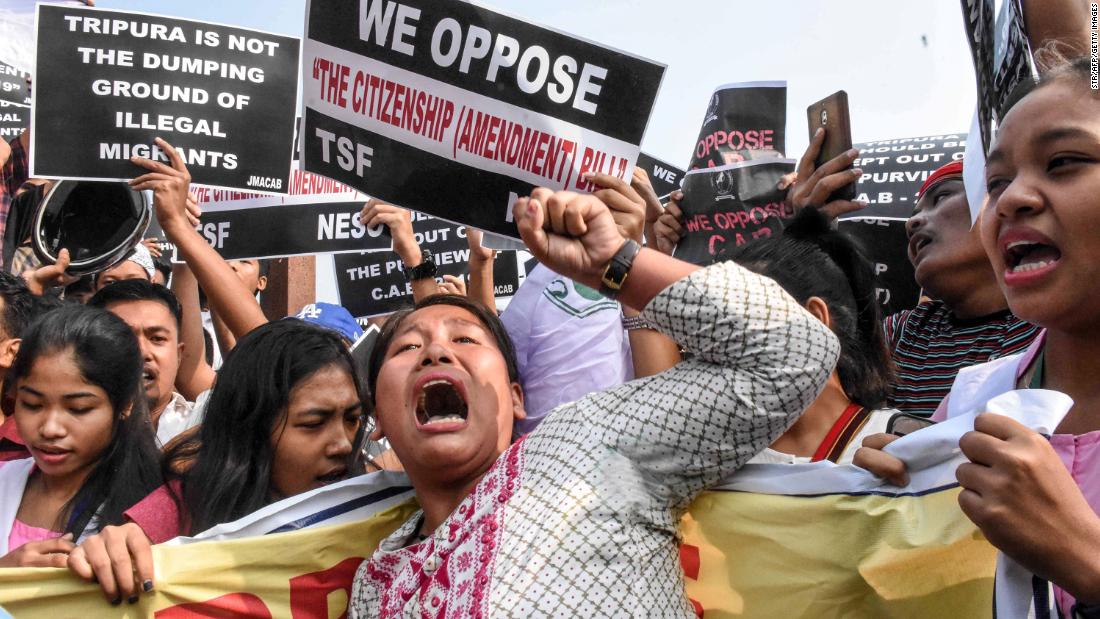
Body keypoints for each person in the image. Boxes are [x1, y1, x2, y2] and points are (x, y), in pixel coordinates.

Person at [347, 186, 838, 616]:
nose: (435, 351)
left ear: (517, 399)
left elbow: (796, 352)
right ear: (379, 420)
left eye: (467, 341)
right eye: (408, 346)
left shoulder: (592, 439)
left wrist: (619, 263)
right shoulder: (373, 585)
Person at [855, 56, 1100, 615]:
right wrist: (905, 496)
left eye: (1064, 162)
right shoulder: (973, 397)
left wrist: (1086, 560)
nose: (1011, 199)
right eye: (995, 182)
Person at [67, 319, 363, 605]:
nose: (343, 444)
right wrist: (105, 556)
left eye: (352, 419)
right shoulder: (180, 509)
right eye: (313, 423)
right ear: (252, 430)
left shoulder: (384, 515)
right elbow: (118, 552)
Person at [0, 305, 161, 575]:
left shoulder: (154, 506)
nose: (50, 429)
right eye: (32, 404)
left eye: (78, 409)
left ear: (125, 405)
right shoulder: (4, 479)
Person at [730, 208, 898, 464]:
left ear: (815, 321)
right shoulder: (715, 458)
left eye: (738, 320)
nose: (715, 341)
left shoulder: (902, 444)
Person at [885, 160, 1040, 415]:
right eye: (913, 214)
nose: (911, 223)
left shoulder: (1054, 324)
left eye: (942, 197)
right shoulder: (902, 333)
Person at [86, 280, 205, 446]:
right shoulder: (69, 437)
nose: (142, 352)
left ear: (179, 355)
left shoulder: (206, 427)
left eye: (157, 338)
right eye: (123, 337)